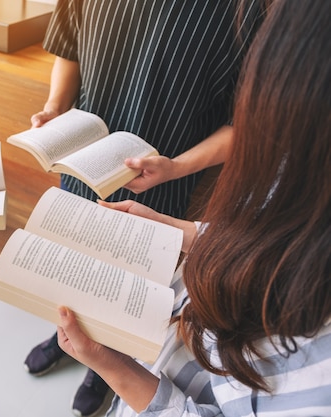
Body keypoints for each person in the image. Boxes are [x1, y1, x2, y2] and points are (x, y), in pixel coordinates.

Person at [56, 0, 331, 415]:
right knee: (72, 266)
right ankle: (68, 324)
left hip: (163, 182)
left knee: (128, 294)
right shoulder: (296, 180)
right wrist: (176, 229)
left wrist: (112, 367)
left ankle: (97, 357)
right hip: (90, 169)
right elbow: (269, 243)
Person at [24, 1, 270, 415]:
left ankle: (106, 362)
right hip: (81, 160)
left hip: (163, 177)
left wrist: (176, 167)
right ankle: (63, 331)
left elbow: (245, 121)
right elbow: (68, 47)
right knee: (71, 256)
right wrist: (55, 108)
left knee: (130, 282)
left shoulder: (248, 10)